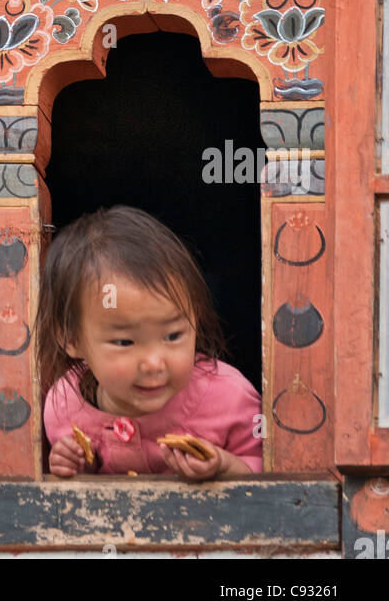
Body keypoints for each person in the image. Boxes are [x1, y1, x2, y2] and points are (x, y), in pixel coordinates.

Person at [36, 205, 263, 479]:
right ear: (71, 339)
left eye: (173, 336)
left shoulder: (231, 400)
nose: (154, 363)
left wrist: (224, 466)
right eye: (124, 342)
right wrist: (78, 466)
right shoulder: (64, 407)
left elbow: (274, 479)